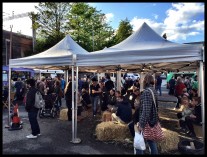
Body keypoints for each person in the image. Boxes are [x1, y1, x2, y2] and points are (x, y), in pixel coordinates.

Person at [137, 73, 159, 154]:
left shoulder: (146, 92)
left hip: (147, 122)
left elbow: (146, 110)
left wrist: (141, 124)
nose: (141, 81)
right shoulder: (153, 90)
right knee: (151, 141)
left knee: (139, 142)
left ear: (145, 81)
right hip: (153, 120)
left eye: (143, 80)